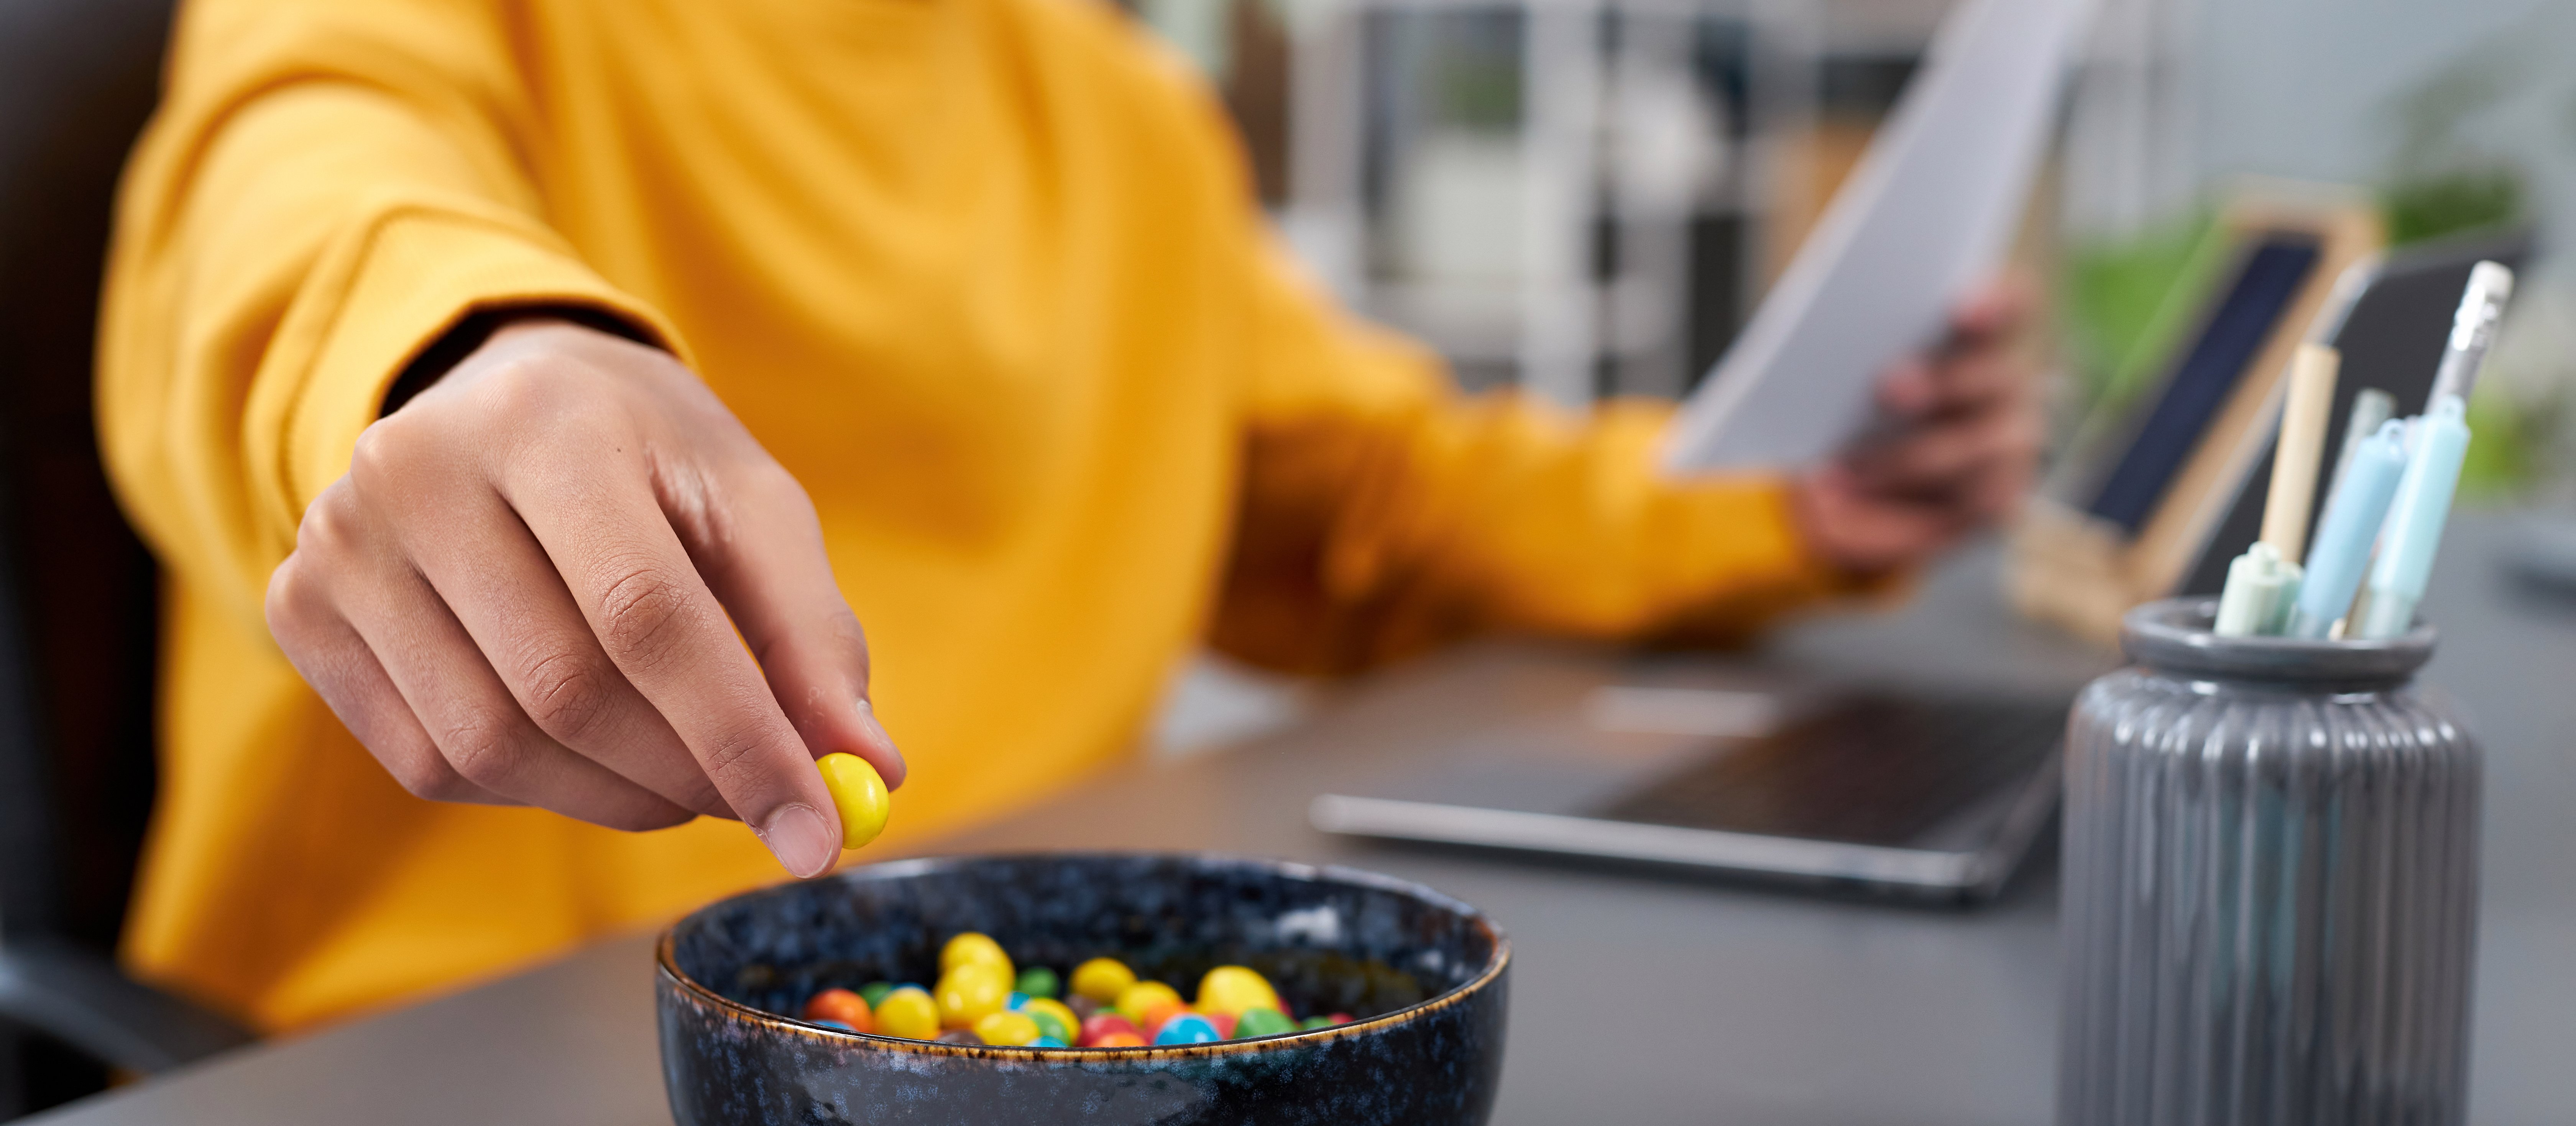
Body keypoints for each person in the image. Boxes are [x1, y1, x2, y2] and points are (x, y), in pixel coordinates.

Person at [99, 0, 2038, 1030]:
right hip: (480, 1044)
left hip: (1024, 1012)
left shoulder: (1114, 106)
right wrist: (474, 349)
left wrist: (1790, 506)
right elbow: (292, 199)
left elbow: (1369, 501)